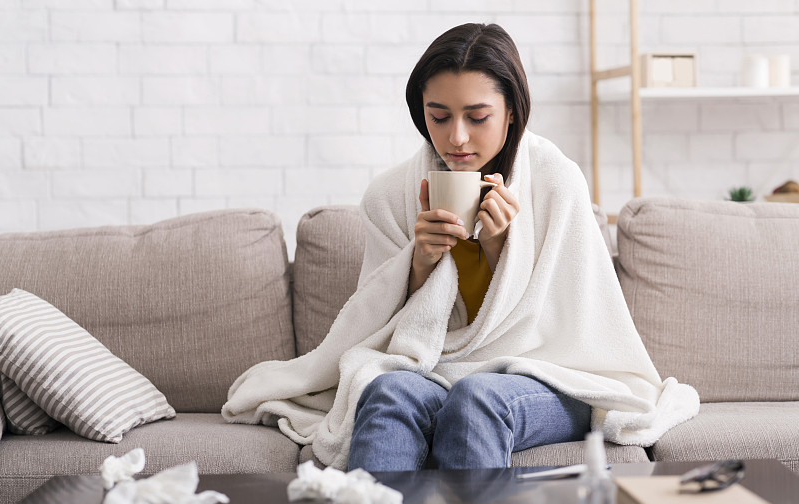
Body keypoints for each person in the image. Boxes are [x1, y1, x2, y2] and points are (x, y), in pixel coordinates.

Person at [222, 23, 699, 473]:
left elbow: (580, 321)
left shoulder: (556, 181)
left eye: (477, 117)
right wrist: (420, 263)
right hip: (438, 370)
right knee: (386, 392)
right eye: (439, 117)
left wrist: (498, 247)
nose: (457, 137)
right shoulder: (390, 197)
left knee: (477, 400)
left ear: (512, 111)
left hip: (552, 375)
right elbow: (375, 327)